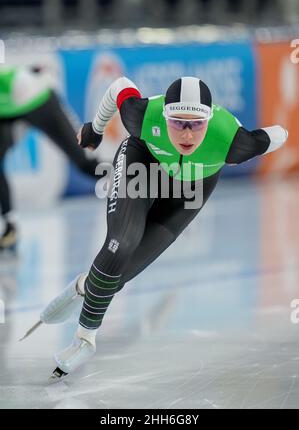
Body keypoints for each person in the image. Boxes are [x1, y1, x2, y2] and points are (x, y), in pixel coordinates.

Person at [21, 76, 288, 379]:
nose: (186, 134)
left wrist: (281, 132)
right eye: (177, 122)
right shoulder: (143, 113)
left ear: (210, 119)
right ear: (165, 115)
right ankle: (85, 339)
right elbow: (119, 85)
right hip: (142, 161)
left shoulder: (234, 141)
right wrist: (95, 129)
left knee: (118, 275)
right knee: (121, 243)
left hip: (191, 189)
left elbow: (278, 134)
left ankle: (84, 286)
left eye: (197, 124)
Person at [0, 65, 101, 252]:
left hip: (38, 100)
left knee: (84, 162)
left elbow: (18, 75)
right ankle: (10, 226)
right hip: (7, 110)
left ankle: (135, 180)